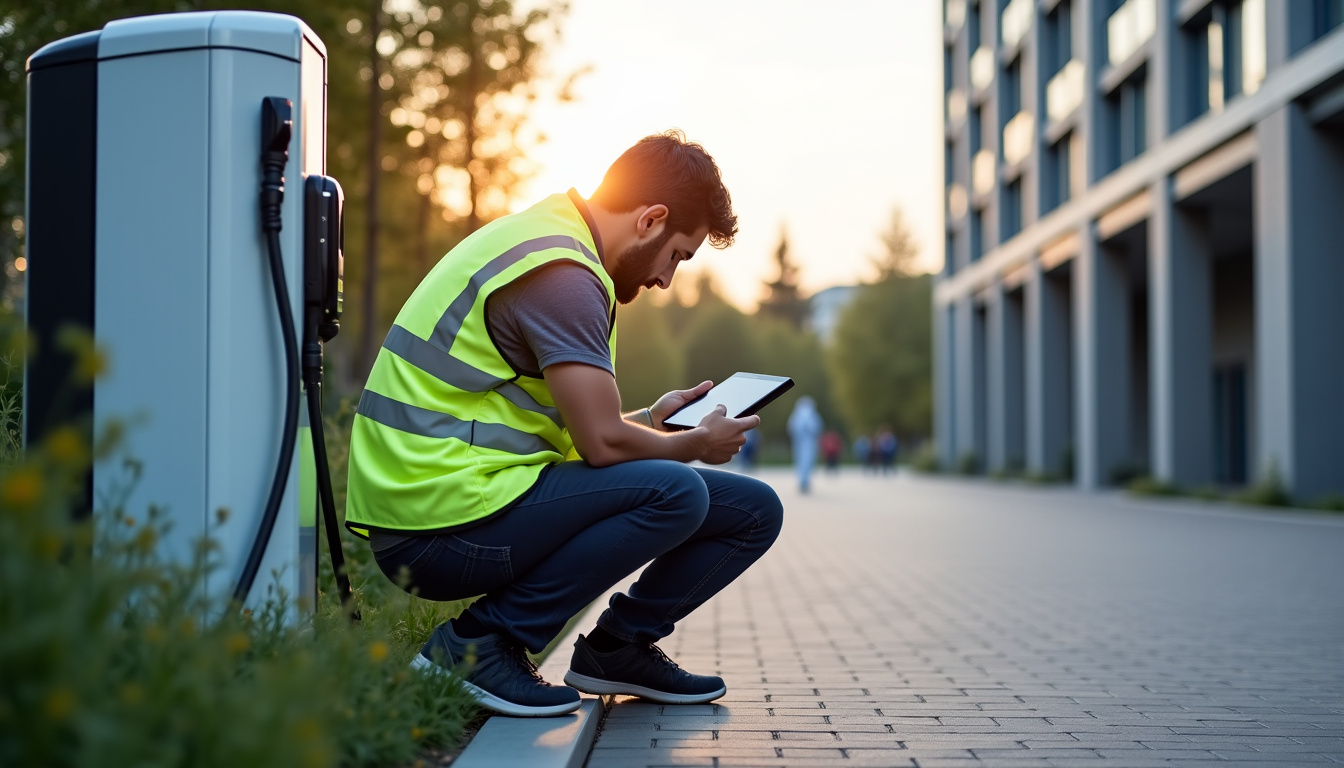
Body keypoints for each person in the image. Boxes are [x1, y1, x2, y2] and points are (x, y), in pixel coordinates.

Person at [344, 131, 783, 718]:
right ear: (651, 219)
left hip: (473, 497)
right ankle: (477, 647)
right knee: (677, 490)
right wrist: (696, 445)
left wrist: (654, 420)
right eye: (678, 256)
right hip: (434, 525)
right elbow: (601, 446)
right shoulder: (562, 273)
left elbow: (579, 431)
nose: (665, 281)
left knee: (753, 510)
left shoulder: (555, 244)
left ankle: (616, 650)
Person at [786, 396, 823, 493]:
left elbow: (816, 429)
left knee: (806, 461)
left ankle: (804, 481)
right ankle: (803, 481)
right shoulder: (807, 415)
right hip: (801, 443)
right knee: (802, 461)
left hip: (808, 443)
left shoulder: (799, 415)